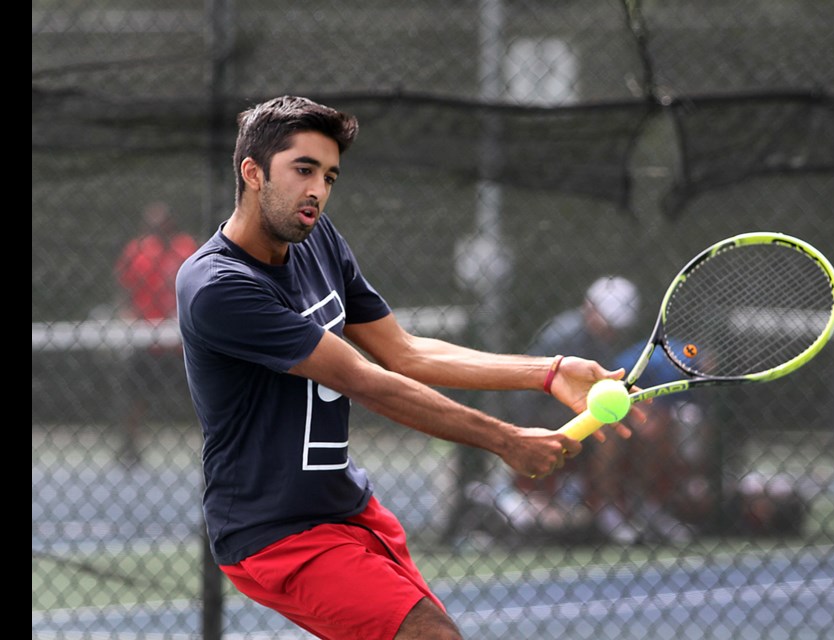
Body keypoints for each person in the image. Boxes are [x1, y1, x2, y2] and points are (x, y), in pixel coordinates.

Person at [174, 95, 630, 640]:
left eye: (329, 176)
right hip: (273, 531)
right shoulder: (218, 288)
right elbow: (367, 380)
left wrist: (549, 371)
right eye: (303, 170)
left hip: (348, 507)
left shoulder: (318, 239)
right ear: (253, 172)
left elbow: (406, 352)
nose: (318, 190)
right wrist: (504, 438)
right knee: (433, 635)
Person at [506, 276, 654, 544]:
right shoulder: (567, 336)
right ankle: (606, 509)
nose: (612, 331)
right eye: (608, 323)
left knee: (641, 425)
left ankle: (638, 504)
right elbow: (539, 394)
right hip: (541, 410)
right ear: (590, 308)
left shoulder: (604, 337)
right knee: (610, 428)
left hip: (568, 404)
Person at [113, 201, 198, 467]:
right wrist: (128, 317)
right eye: (151, 224)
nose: (156, 229)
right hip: (147, 339)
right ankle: (130, 447)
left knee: (202, 394)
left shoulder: (186, 248)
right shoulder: (136, 251)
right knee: (135, 395)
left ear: (171, 224)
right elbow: (124, 291)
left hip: (180, 341)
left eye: (161, 224)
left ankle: (214, 444)